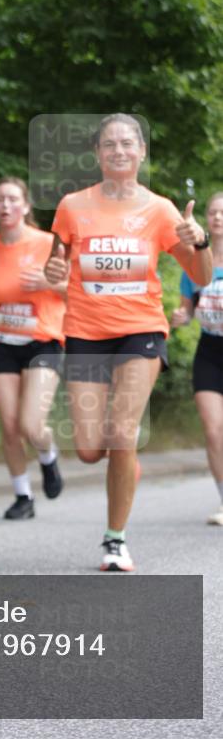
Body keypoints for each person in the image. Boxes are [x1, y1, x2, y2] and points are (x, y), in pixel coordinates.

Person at [45, 114, 213, 572]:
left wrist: (199, 243)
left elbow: (200, 276)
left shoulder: (160, 210)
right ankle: (124, 464)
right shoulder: (72, 205)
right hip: (84, 332)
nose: (118, 151)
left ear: (141, 152)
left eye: (127, 143)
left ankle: (115, 539)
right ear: (97, 154)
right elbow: (53, 267)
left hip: (142, 330)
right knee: (87, 449)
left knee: (122, 434)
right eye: (109, 144)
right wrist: (53, 273)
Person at [0, 177, 67, 520]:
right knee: (9, 426)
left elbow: (75, 291)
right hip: (1, 342)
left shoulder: (48, 243)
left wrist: (51, 282)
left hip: (43, 340)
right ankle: (23, 496)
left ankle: (48, 456)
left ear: (25, 206)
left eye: (12, 199)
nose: (5, 205)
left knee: (30, 424)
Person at [171, 191, 223, 526]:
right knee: (213, 428)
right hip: (209, 352)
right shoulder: (195, 264)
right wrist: (181, 317)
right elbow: (187, 311)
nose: (218, 217)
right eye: (213, 212)